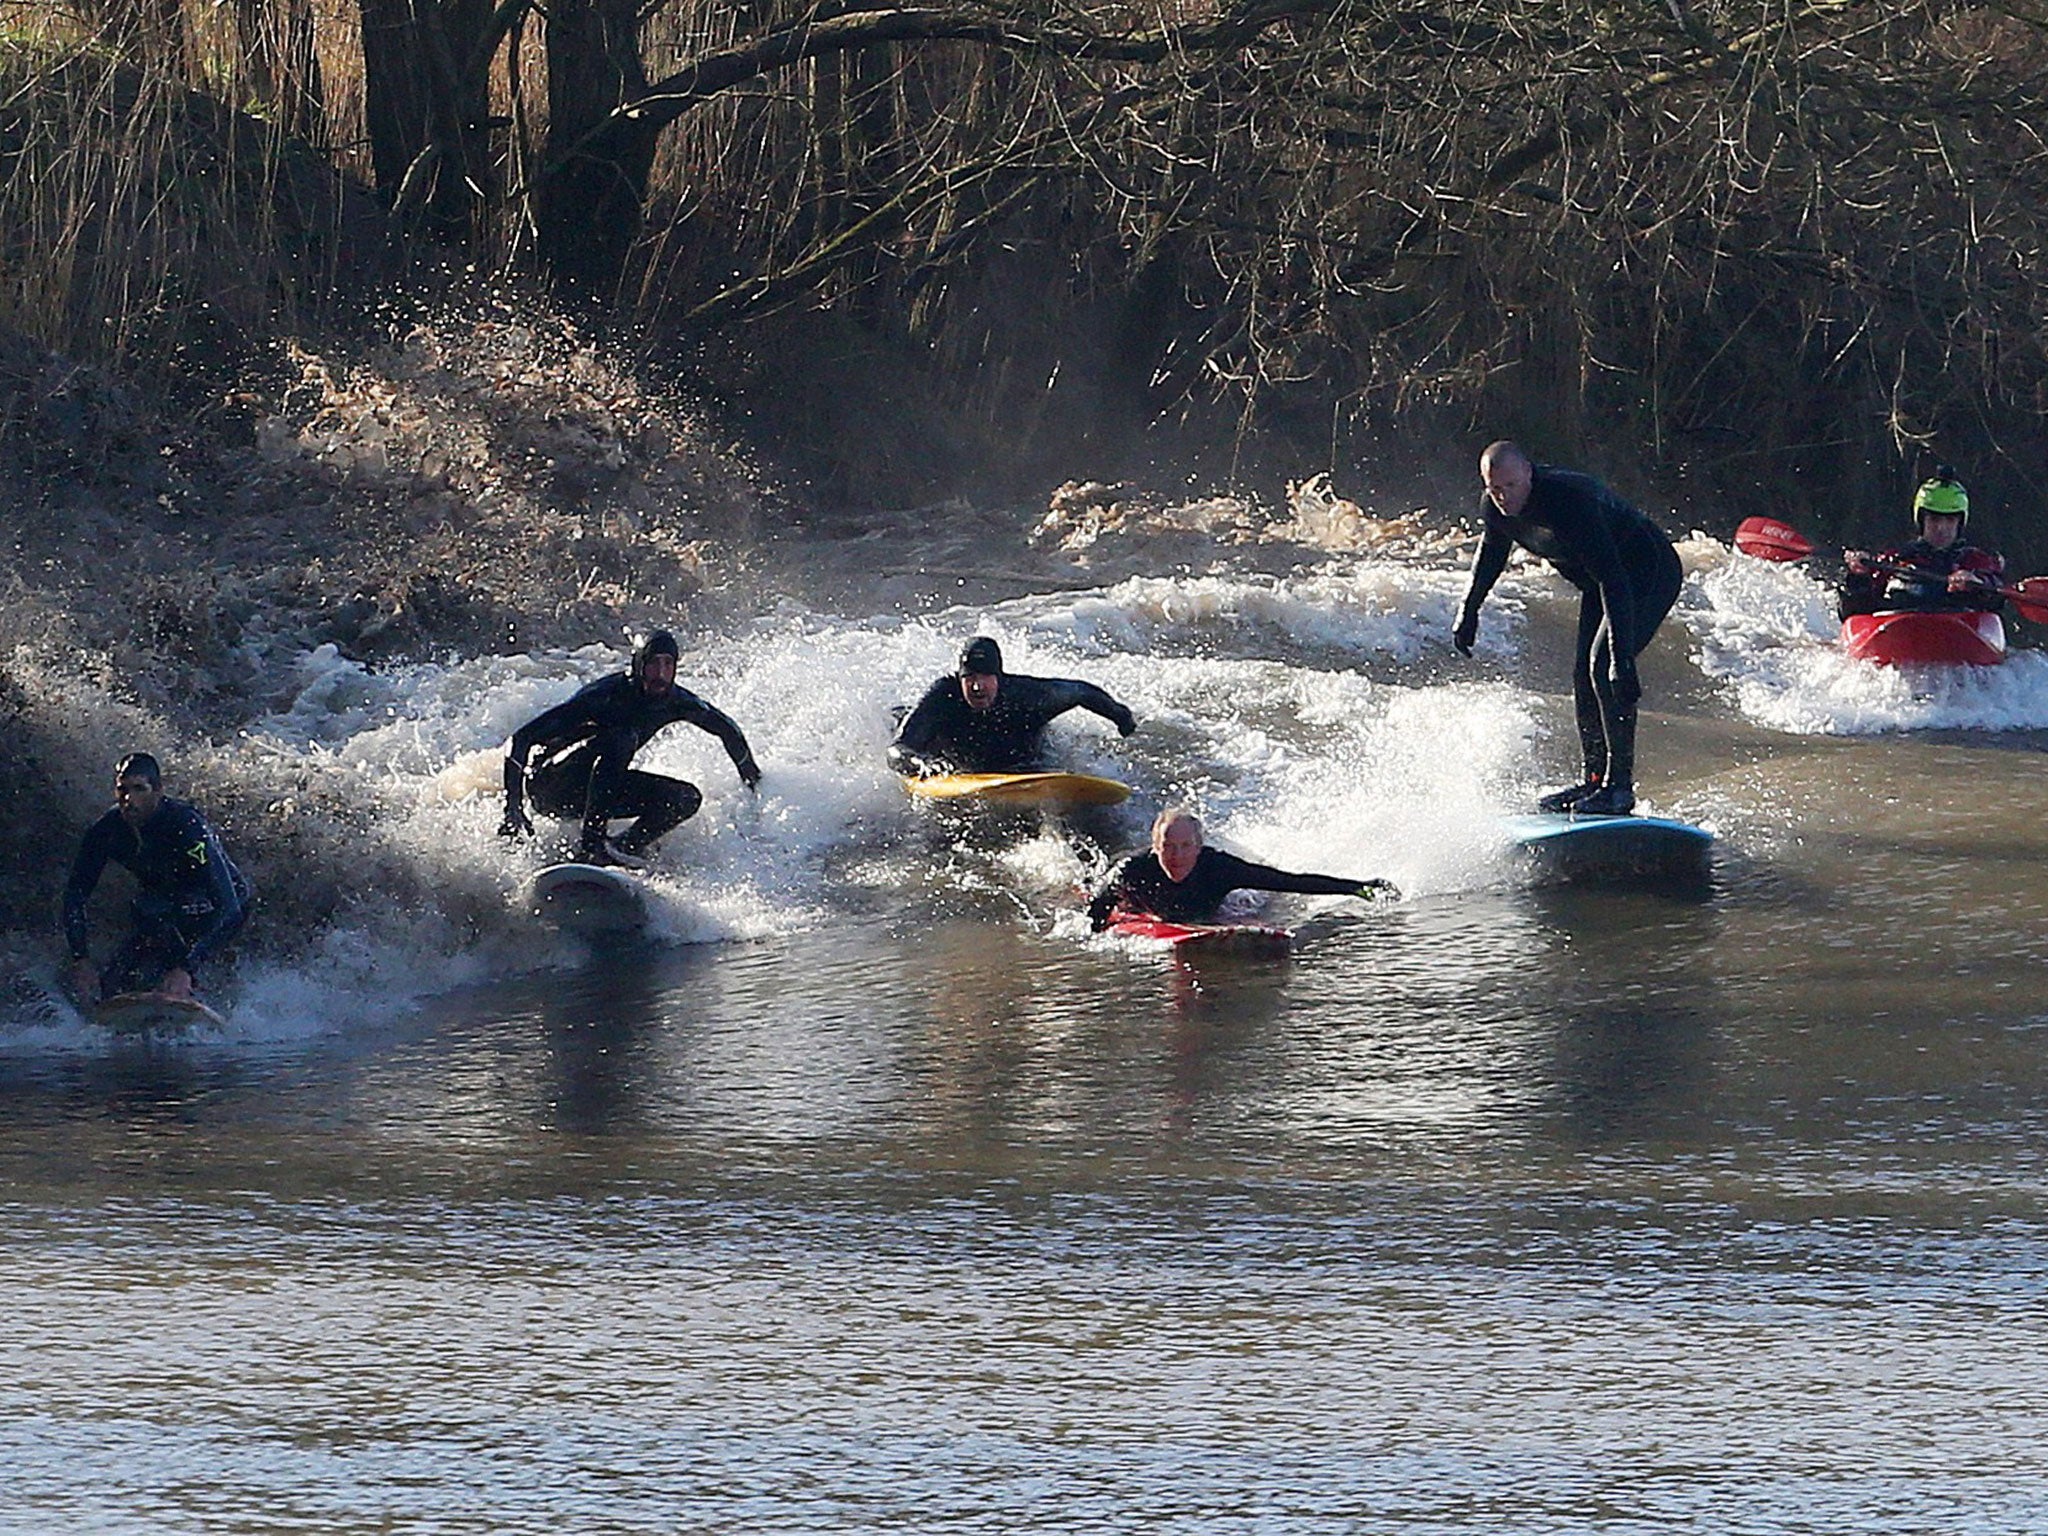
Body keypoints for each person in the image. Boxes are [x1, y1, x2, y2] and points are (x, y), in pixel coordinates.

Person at [1454, 441, 1683, 818]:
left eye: (1510, 486)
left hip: (1645, 571)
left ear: (1529, 473)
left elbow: (1614, 578)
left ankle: (1619, 788)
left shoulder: (1568, 501)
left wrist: (1622, 659)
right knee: (1583, 676)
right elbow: (1493, 553)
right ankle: (1594, 778)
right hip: (1599, 581)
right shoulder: (1495, 508)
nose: (1502, 496)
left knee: (1604, 664)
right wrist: (1469, 610)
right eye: (1494, 488)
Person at [499, 630, 761, 868]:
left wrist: (754, 782)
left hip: (593, 790)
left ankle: (622, 849)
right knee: (622, 737)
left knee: (685, 799)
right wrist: (513, 807)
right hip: (551, 784)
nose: (660, 673)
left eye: (668, 664)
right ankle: (592, 846)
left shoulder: (676, 702)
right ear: (638, 665)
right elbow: (520, 740)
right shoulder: (604, 697)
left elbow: (728, 729)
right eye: (653, 664)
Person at [62, 752, 250, 1004]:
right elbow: (76, 894)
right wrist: (80, 958)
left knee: (159, 916)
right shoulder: (107, 830)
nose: (129, 800)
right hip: (164, 905)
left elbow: (230, 907)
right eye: (122, 790)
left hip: (221, 906)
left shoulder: (186, 826)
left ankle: (194, 989)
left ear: (158, 790)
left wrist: (186, 967)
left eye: (139, 789)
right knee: (114, 981)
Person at [1086, 807, 1395, 930]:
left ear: (1199, 846)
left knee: (1263, 896)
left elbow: (1289, 881)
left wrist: (1358, 888)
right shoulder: (1131, 871)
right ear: (1156, 846)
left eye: (1185, 846)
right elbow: (1095, 913)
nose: (1177, 856)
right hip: (1142, 908)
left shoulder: (1219, 869)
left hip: (1203, 910)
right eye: (1168, 846)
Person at [888, 636, 1137, 777]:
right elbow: (897, 749)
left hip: (1020, 762)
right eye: (970, 677)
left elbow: (1082, 692)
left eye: (985, 677)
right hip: (958, 761)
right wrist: (918, 764)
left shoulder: (1026, 696)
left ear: (999, 677)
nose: (977, 686)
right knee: (904, 720)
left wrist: (1121, 716)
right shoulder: (944, 696)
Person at [1839, 471, 2005, 618]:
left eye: (1950, 520)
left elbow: (1996, 594)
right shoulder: (1894, 560)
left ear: (1960, 523)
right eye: (1934, 519)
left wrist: (1975, 582)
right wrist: (1859, 576)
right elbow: (1853, 611)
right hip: (1900, 635)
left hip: (1957, 636)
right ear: (1921, 520)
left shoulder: (1976, 561)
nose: (1941, 528)